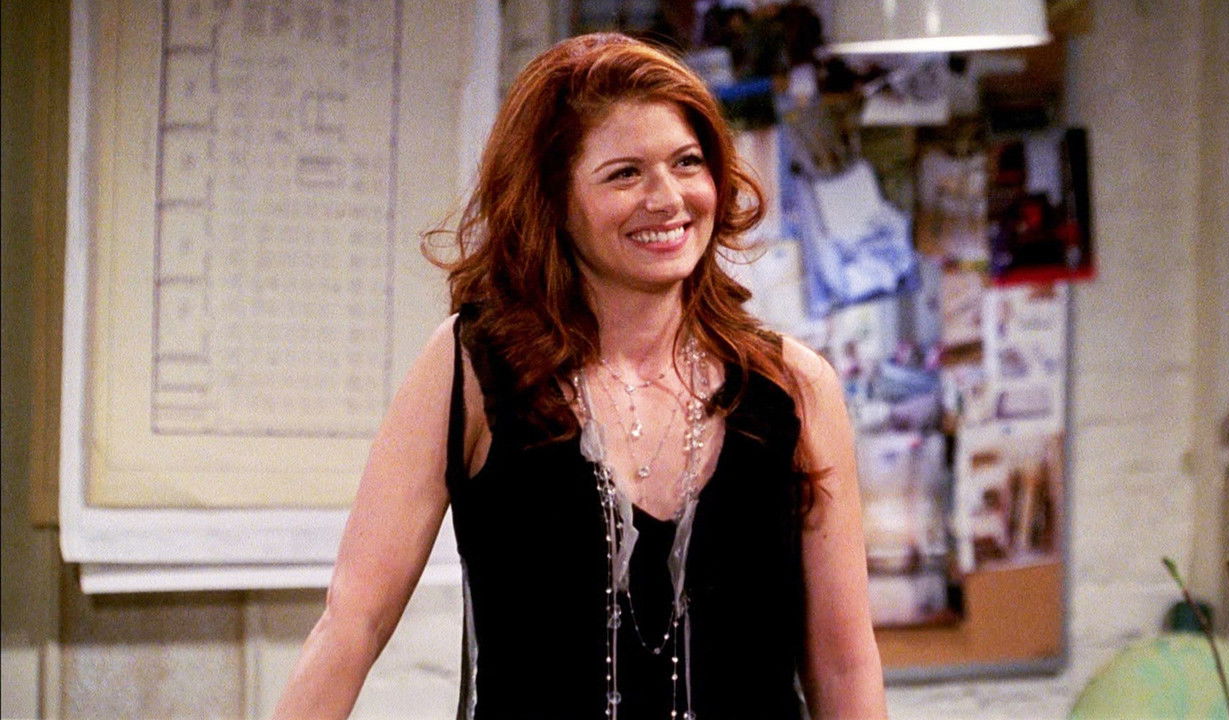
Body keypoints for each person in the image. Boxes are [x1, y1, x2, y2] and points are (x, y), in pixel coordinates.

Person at [273, 32, 885, 720]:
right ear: (553, 199)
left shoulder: (794, 387)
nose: (668, 198)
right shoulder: (471, 367)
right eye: (625, 174)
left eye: (687, 163)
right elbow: (352, 623)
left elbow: (845, 662)